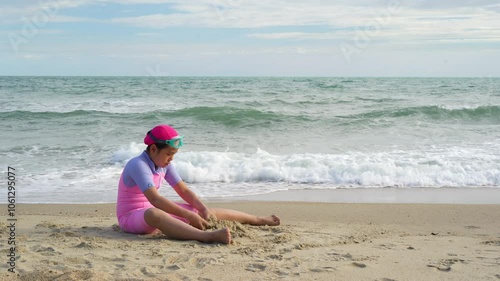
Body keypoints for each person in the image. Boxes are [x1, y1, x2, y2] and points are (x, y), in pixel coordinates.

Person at [116, 124, 280, 244]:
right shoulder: (138, 165)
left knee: (200, 211)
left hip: (152, 211)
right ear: (153, 149)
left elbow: (184, 190)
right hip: (131, 217)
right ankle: (206, 236)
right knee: (156, 214)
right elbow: (156, 200)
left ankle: (256, 219)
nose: (171, 159)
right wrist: (187, 215)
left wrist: (202, 209)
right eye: (168, 154)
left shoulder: (164, 164)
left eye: (173, 155)